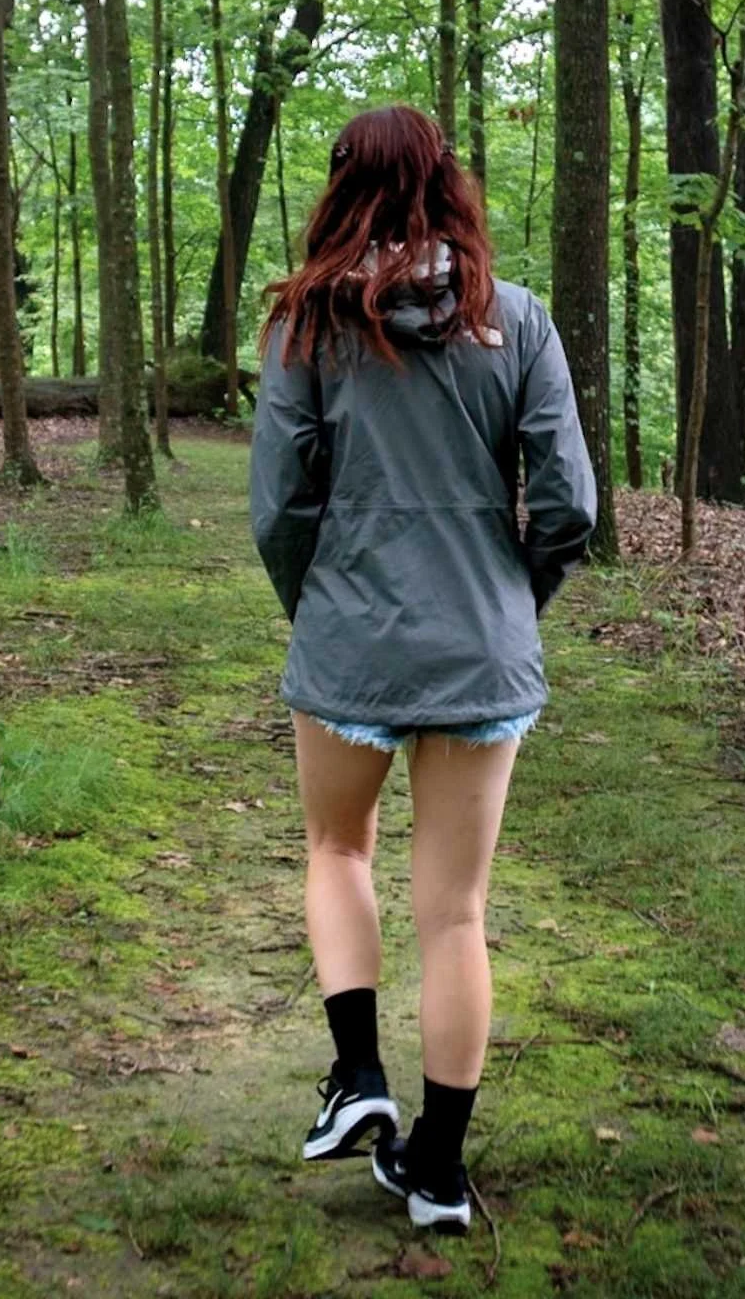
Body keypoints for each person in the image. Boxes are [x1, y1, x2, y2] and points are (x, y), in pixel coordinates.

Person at [249, 104, 597, 1233]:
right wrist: (514, 596)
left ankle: (359, 1079)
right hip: (481, 649)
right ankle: (439, 1167)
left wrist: (321, 606)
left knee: (335, 845)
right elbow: (571, 505)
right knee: (457, 912)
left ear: (341, 188)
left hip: (350, 634)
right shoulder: (520, 321)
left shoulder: (309, 327)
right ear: (448, 183)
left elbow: (279, 508)